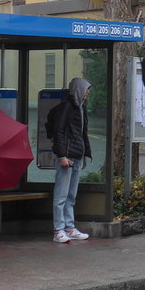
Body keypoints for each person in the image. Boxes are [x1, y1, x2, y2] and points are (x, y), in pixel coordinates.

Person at [50, 77, 93, 243]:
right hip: (67, 157)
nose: (88, 93)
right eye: (87, 89)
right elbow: (58, 132)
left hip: (76, 156)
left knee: (70, 196)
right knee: (61, 195)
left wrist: (84, 153)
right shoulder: (67, 107)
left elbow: (82, 134)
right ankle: (58, 230)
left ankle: (69, 227)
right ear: (80, 90)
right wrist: (62, 155)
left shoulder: (81, 108)